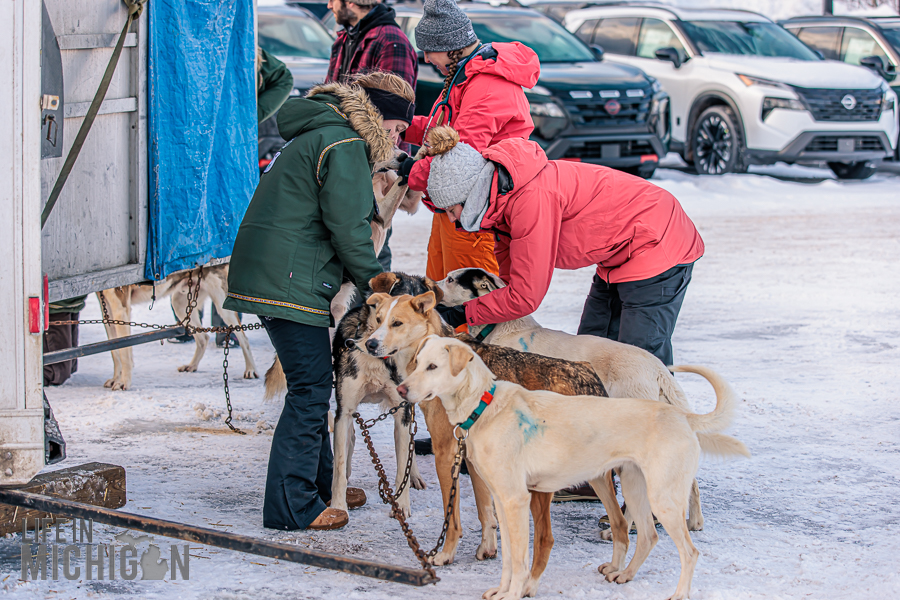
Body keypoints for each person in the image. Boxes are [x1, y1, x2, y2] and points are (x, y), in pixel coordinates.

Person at [223, 73, 415, 531]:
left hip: (276, 270)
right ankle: (293, 506)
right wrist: (379, 288)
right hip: (287, 278)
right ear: (376, 117)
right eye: (393, 129)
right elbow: (349, 230)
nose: (396, 140)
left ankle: (324, 482)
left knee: (313, 386)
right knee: (310, 390)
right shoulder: (346, 144)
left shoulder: (323, 131)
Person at [426, 127, 705, 368]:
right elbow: (510, 286)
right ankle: (599, 427)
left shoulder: (530, 200)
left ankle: (663, 425)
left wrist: (464, 312)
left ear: (472, 195)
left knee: (638, 359)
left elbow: (524, 297)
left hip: (657, 240)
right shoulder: (501, 206)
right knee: (589, 355)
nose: (451, 219)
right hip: (618, 254)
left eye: (452, 209)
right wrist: (473, 309)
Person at [393, 0, 540, 282]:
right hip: (452, 206)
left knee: (468, 306)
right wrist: (398, 125)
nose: (425, 59)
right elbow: (442, 129)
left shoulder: (488, 84)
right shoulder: (465, 76)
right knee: (439, 294)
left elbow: (463, 155)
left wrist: (413, 172)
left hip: (475, 212)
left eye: (428, 50)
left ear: (450, 46)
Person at [325, 0, 417, 272]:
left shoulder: (390, 40)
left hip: (374, 166)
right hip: (347, 158)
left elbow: (394, 113)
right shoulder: (345, 37)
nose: (330, 5)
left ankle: (372, 311)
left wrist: (384, 166)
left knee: (373, 246)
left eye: (333, 0)